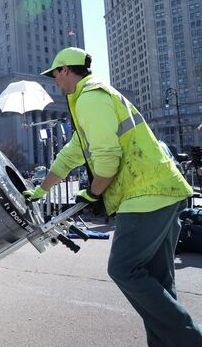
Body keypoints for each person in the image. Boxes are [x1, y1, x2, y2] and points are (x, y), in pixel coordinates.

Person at [23, 47, 202, 346]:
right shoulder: (91, 100)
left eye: (55, 74)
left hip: (146, 193)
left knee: (123, 268)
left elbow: (107, 158)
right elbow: (74, 152)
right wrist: (43, 188)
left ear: (66, 70)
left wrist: (94, 192)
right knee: (157, 282)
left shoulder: (90, 99)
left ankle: (192, 339)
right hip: (164, 191)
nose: (55, 81)